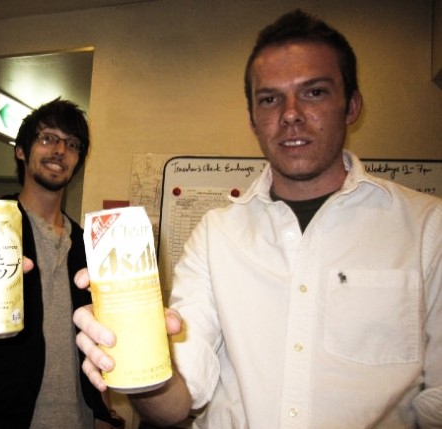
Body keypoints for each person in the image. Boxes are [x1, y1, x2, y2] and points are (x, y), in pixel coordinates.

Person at [73, 9, 442, 428]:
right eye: (269, 99)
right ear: (252, 118)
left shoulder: (429, 229)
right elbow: (180, 400)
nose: (290, 114)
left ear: (351, 105)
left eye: (315, 93)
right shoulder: (215, 236)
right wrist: (137, 362)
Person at [0, 98, 124, 428]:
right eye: (47, 138)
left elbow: (95, 332)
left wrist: (105, 410)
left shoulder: (86, 242)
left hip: (78, 415)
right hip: (4, 411)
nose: (60, 150)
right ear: (21, 151)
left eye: (72, 144)